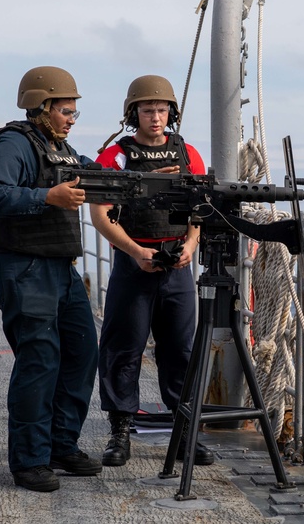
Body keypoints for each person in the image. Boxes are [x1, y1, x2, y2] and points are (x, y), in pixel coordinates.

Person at [0, 66, 102, 492]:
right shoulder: (13, 143)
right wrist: (47, 196)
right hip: (23, 266)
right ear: (42, 106)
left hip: (61, 269)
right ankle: (30, 460)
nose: (71, 118)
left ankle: (59, 444)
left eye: (74, 113)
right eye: (66, 110)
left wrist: (137, 182)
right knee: (40, 361)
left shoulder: (63, 149)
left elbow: (98, 176)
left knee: (83, 354)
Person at [91, 75, 214, 467]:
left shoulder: (188, 153)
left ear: (171, 113)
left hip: (177, 265)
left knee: (180, 351)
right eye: (148, 110)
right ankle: (120, 431)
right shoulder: (115, 158)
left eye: (162, 110)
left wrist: (191, 246)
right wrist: (135, 251)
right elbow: (100, 214)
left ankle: (184, 436)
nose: (155, 117)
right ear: (134, 113)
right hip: (133, 263)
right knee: (123, 348)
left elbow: (199, 208)